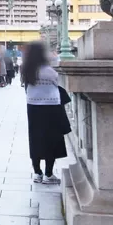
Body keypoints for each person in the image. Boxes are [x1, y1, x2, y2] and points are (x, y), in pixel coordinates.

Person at [21, 42, 67, 184]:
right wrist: (54, 57)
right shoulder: (48, 69)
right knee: (51, 140)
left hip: (33, 106)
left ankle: (37, 173)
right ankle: (48, 174)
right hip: (51, 106)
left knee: (35, 139)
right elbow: (57, 77)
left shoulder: (26, 68)